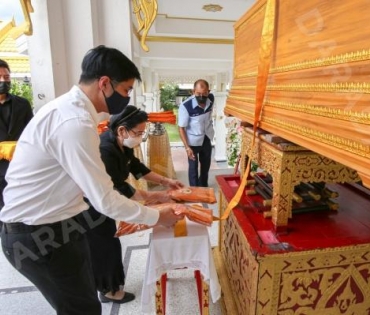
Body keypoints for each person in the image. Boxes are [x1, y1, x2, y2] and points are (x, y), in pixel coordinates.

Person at [0, 45, 183, 315]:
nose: (127, 97)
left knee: (85, 298)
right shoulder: (73, 121)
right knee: (82, 309)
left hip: (62, 223)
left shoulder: (72, 112)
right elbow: (105, 198)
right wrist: (157, 216)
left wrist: (155, 197)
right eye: (126, 91)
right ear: (105, 83)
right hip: (36, 235)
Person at [82, 105, 184, 304]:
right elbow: (119, 187)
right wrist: (157, 198)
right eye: (138, 133)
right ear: (122, 130)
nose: (140, 137)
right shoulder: (105, 149)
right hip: (91, 206)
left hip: (105, 202)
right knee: (103, 247)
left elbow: (137, 168)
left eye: (142, 133)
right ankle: (108, 290)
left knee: (109, 244)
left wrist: (166, 182)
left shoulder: (122, 145)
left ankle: (109, 286)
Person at [0, 59, 33, 229]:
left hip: (20, 166)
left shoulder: (22, 104)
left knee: (22, 210)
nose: (3, 81)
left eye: (6, 77)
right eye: (0, 77)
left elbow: (32, 133)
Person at [178, 79, 215, 187]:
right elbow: (181, 128)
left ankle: (203, 186)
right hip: (192, 142)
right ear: (193, 91)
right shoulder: (186, 106)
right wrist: (187, 147)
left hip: (206, 138)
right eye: (198, 93)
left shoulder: (211, 99)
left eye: (204, 94)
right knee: (193, 167)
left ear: (208, 91)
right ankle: (194, 189)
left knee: (205, 165)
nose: (202, 96)